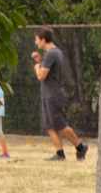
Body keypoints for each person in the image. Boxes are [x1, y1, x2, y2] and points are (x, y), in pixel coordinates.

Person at [33, 28, 88, 161]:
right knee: (50, 126)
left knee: (60, 125)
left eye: (36, 39)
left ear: (43, 39)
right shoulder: (52, 53)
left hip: (53, 95)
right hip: (49, 94)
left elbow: (41, 76)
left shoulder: (51, 54)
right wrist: (40, 62)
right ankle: (59, 153)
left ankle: (81, 147)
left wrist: (36, 67)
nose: (35, 43)